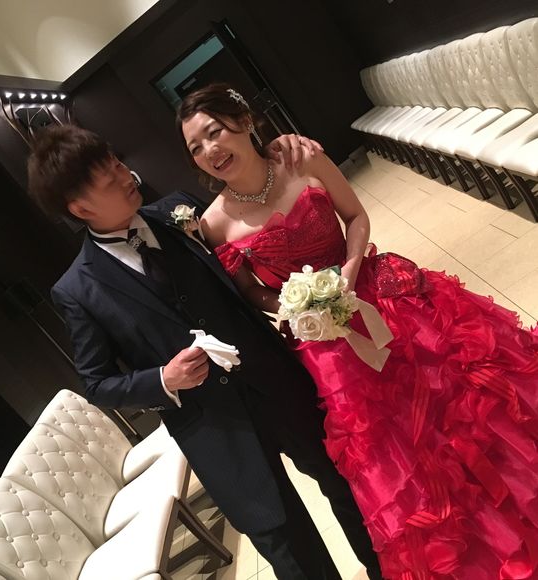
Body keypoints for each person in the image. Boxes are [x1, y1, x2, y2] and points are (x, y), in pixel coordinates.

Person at [177, 83, 538, 580]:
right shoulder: (215, 222)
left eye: (214, 132)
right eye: (195, 147)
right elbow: (250, 293)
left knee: (461, 404)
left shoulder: (302, 159)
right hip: (326, 345)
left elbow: (355, 215)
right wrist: (293, 305)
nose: (209, 150)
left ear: (244, 123)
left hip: (381, 296)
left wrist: (347, 272)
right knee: (402, 452)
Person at [27, 123, 382, 580]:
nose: (125, 175)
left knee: (349, 488)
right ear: (80, 208)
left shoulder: (179, 211)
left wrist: (277, 148)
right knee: (286, 543)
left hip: (276, 382)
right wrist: (163, 379)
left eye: (117, 163)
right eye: (108, 178)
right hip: (215, 426)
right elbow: (96, 384)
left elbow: (248, 210)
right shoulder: (78, 290)